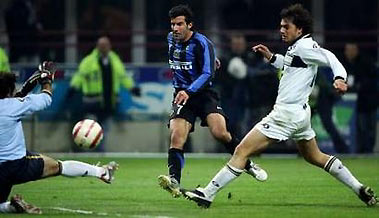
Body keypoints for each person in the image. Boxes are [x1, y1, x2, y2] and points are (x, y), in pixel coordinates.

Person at [182, 4, 378, 208]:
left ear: (300, 29)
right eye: (281, 26)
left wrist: (339, 77)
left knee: (241, 150)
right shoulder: (298, 48)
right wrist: (271, 57)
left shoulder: (305, 46)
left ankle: (208, 193)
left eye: (286, 27)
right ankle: (359, 188)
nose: (282, 30)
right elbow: (291, 65)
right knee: (315, 156)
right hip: (300, 115)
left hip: (285, 114)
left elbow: (330, 57)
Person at [157, 5, 267, 198]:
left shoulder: (202, 43)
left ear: (189, 25)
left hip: (203, 93)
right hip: (182, 95)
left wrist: (192, 86)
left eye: (180, 24)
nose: (175, 28)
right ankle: (174, 180)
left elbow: (208, 73)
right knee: (176, 135)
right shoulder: (169, 39)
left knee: (220, 132)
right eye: (173, 24)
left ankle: (247, 164)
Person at [0, 63, 119, 214]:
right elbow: (45, 99)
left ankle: (9, 207)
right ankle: (101, 172)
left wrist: (28, 86)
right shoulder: (14, 106)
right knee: (58, 166)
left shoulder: (11, 104)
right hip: (18, 165)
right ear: (9, 91)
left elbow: (15, 98)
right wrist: (47, 81)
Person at [70, 36, 140, 151]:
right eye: (101, 46)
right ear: (97, 47)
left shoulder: (114, 60)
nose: (104, 48)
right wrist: (73, 87)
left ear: (109, 46)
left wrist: (131, 88)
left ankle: (99, 150)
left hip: (108, 101)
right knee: (88, 128)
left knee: (103, 129)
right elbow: (80, 75)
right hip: (92, 101)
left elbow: (122, 76)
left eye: (106, 45)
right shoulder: (89, 61)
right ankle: (87, 150)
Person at [341, 43, 377, 153]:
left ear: (356, 50)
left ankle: (368, 151)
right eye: (347, 50)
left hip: (369, 100)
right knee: (360, 128)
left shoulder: (366, 62)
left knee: (369, 127)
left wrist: (360, 86)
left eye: (351, 50)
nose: (349, 53)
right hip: (356, 102)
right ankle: (361, 150)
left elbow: (374, 79)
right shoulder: (344, 63)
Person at [314, 69, 350, 153]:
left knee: (328, 125)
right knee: (303, 124)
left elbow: (322, 84)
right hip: (317, 98)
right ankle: (305, 150)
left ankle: (343, 149)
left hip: (323, 98)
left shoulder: (310, 66)